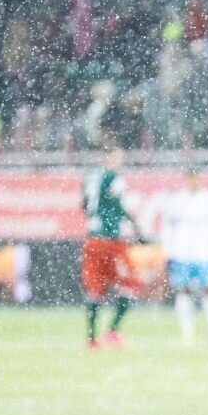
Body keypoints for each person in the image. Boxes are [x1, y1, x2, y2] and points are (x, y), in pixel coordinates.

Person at [80, 147, 145, 349]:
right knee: (129, 285)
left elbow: (84, 205)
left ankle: (91, 339)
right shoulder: (114, 177)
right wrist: (135, 226)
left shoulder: (90, 177)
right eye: (117, 157)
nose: (120, 161)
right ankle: (113, 331)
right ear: (107, 158)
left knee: (94, 290)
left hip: (92, 240)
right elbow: (118, 205)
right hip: (111, 240)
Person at [161, 167, 208, 344]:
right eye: (191, 179)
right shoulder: (176, 201)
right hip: (182, 252)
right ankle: (187, 332)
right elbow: (168, 229)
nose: (194, 182)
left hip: (204, 252)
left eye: (197, 179)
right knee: (183, 292)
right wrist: (168, 253)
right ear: (186, 180)